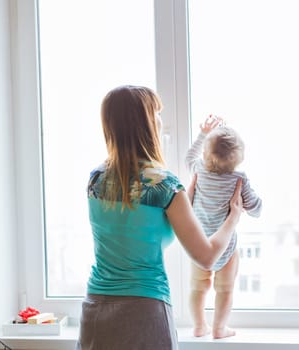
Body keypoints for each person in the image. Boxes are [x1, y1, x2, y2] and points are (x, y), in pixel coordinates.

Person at [75, 86, 244, 350]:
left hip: (96, 307)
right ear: (146, 122)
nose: (160, 119)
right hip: (145, 308)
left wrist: (185, 196)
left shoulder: (96, 179)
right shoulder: (163, 184)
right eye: (157, 113)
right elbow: (208, 257)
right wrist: (233, 217)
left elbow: (132, 227)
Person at [185, 114, 262, 339]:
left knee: (198, 288)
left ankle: (199, 325)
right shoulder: (238, 178)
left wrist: (202, 134)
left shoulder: (198, 168)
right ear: (237, 158)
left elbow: (189, 156)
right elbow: (255, 208)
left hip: (198, 244)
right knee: (225, 289)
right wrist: (253, 206)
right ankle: (219, 328)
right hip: (225, 248)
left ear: (207, 154)